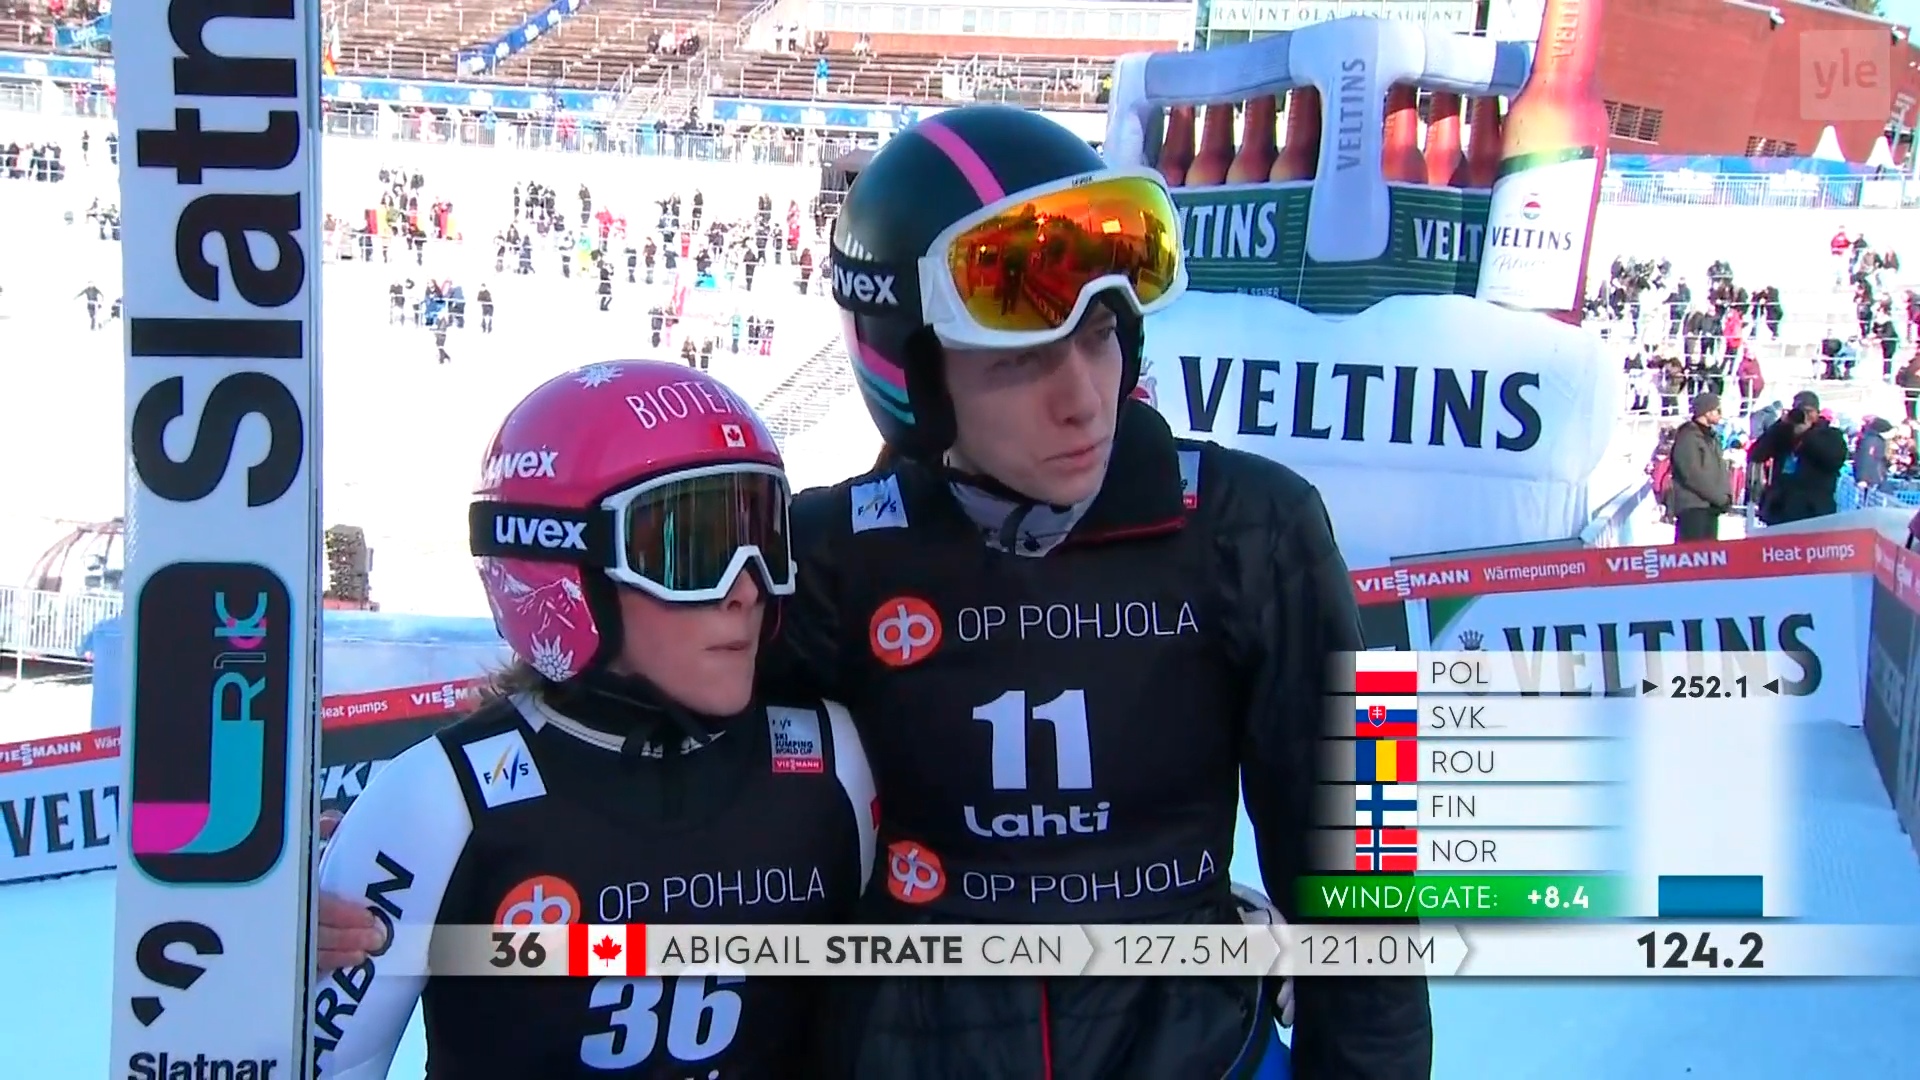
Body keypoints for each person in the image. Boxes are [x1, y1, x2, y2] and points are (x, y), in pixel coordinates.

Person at [771, 104, 1427, 1078]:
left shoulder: (1264, 526)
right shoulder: (829, 555)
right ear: (915, 371)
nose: (1083, 398)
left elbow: (1368, 866)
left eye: (1101, 333)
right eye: (1021, 358)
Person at [310, 360, 877, 1077]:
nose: (745, 589)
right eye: (690, 551)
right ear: (561, 561)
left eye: (763, 538)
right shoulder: (439, 803)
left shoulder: (833, 761)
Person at [1749, 389, 1848, 525]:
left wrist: (1807, 434)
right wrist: (1779, 425)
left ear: (1817, 413)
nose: (1805, 416)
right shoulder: (1783, 433)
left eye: (1809, 411)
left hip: (1813, 511)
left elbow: (1834, 460)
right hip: (1780, 509)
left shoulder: (1831, 435)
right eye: (1800, 411)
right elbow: (1756, 454)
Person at [1666, 393, 1732, 542]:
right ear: (1707, 412)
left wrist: (1725, 496)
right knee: (1692, 551)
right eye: (1717, 410)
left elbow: (1717, 469)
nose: (1720, 414)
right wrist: (1718, 497)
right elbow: (1692, 474)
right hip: (1693, 507)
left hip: (1710, 506)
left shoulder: (1711, 437)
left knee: (1709, 553)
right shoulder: (1688, 437)